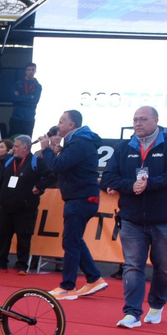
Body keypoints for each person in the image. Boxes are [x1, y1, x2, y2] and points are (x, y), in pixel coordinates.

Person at [101, 105, 167, 328]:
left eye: (143, 119)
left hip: (165, 218)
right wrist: (131, 186)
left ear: (156, 120)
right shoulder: (122, 148)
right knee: (132, 266)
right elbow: (108, 177)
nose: (137, 123)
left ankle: (157, 305)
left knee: (164, 267)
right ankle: (131, 313)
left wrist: (148, 185)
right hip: (131, 218)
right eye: (135, 120)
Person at [42, 109, 108, 301]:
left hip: (80, 198)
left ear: (71, 125)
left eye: (61, 122)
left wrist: (47, 149)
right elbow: (62, 165)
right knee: (75, 240)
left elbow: (57, 166)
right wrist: (54, 150)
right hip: (79, 197)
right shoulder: (78, 142)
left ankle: (67, 286)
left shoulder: (79, 142)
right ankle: (94, 278)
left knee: (71, 242)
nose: (58, 125)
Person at [0, 135, 44, 273]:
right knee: (3, 234)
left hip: (26, 206)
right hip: (6, 205)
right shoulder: (8, 161)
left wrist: (39, 186)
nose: (14, 149)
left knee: (24, 236)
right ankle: (0, 262)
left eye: (16, 146)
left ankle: (22, 265)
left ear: (25, 148)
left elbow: (51, 176)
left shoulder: (36, 161)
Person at [9, 64, 41, 140]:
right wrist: (29, 97)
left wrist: (20, 98)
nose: (30, 72)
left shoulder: (37, 86)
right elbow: (13, 98)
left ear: (35, 71)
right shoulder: (18, 84)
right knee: (12, 140)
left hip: (29, 118)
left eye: (32, 70)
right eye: (28, 70)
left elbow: (35, 101)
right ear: (25, 71)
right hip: (16, 117)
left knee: (26, 141)